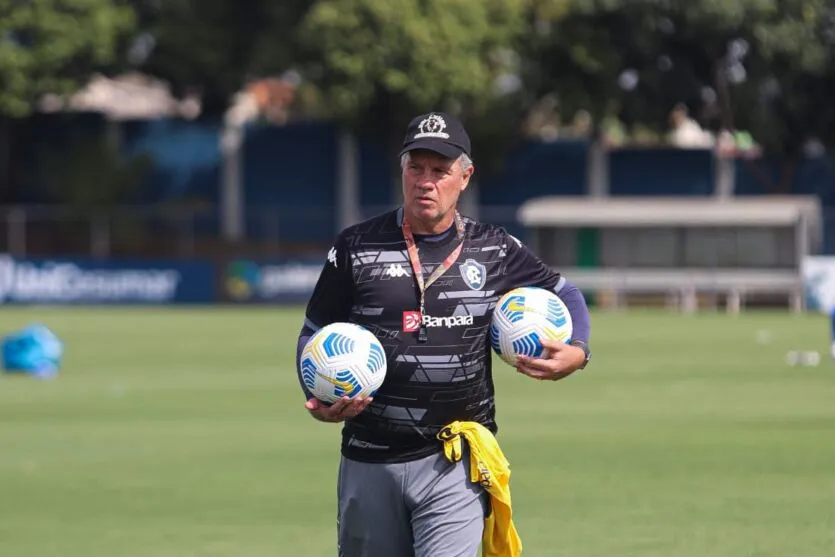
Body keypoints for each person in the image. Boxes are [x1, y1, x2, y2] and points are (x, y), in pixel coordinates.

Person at [297, 112, 592, 557]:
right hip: (369, 457)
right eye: (416, 168)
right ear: (402, 170)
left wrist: (579, 352)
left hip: (455, 461)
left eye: (440, 171)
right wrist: (319, 399)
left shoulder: (494, 247)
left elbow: (564, 291)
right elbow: (314, 332)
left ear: (465, 176)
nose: (426, 182)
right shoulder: (356, 246)